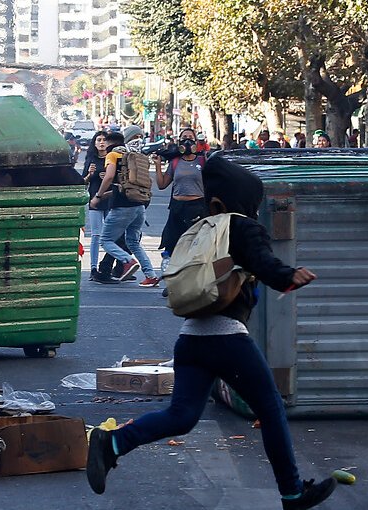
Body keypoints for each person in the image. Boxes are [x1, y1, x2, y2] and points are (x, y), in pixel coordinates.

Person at [86, 155, 336, 509]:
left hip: (191, 339)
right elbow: (264, 263)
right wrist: (287, 275)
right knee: (271, 408)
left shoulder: (199, 228)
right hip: (227, 338)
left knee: (181, 416)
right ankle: (293, 492)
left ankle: (112, 443)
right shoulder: (242, 226)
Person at [90, 129, 159, 287]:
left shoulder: (112, 155)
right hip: (139, 205)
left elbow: (108, 177)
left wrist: (98, 196)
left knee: (105, 240)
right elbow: (123, 184)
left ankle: (127, 261)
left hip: (122, 206)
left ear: (109, 142)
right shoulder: (134, 155)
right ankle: (151, 275)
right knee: (133, 242)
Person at [155, 127, 208, 294]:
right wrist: (157, 167)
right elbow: (162, 184)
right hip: (177, 208)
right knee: (172, 246)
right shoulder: (175, 162)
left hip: (197, 208)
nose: (187, 140)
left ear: (195, 141)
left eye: (190, 137)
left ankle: (193, 284)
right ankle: (172, 284)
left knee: (194, 247)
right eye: (184, 137)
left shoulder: (202, 162)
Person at [82, 130, 111, 281]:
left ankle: (110, 266)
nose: (101, 142)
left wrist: (108, 178)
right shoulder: (91, 160)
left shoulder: (112, 158)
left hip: (110, 200)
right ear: (94, 143)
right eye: (98, 140)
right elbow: (83, 182)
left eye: (104, 140)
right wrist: (90, 174)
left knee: (112, 235)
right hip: (94, 200)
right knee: (96, 235)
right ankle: (93, 268)